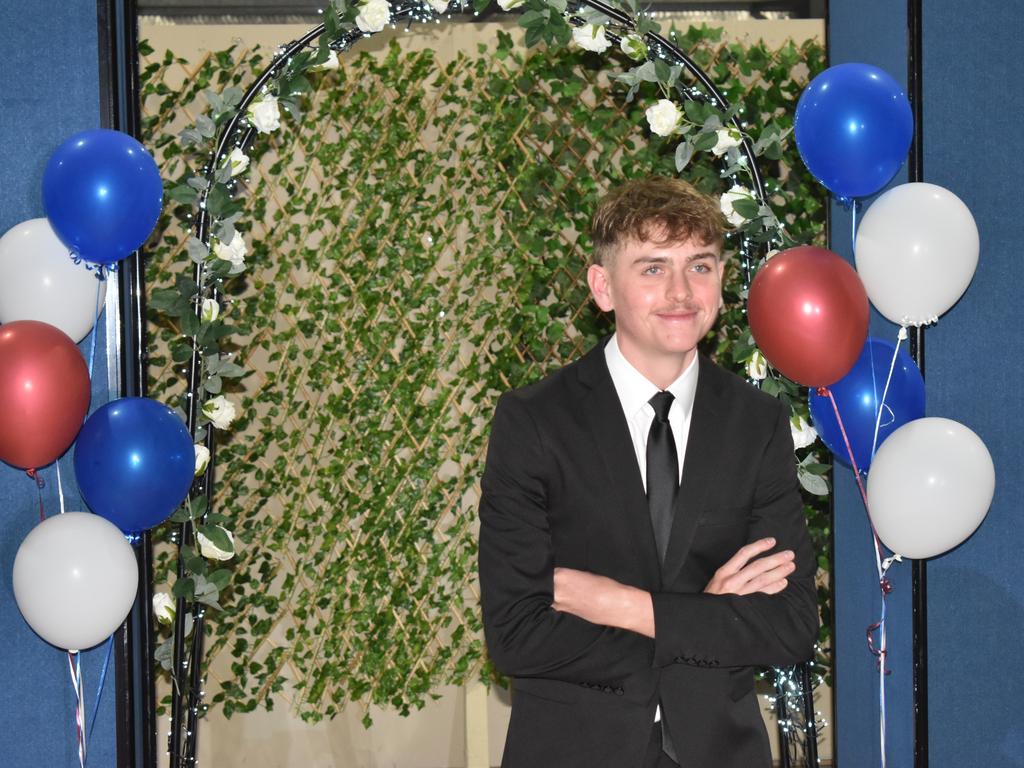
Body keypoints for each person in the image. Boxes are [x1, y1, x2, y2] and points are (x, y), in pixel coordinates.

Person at [478, 177, 818, 768]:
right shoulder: (534, 421)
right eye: (653, 269)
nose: (682, 292)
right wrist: (703, 617)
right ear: (603, 288)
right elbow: (516, 634)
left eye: (701, 266)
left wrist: (622, 605)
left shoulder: (757, 422)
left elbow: (788, 624)